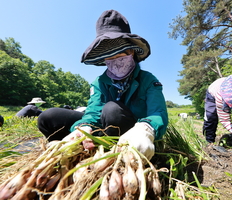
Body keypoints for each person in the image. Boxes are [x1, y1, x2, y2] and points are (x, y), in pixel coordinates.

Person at [38, 10, 168, 160]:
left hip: (131, 131)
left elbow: (157, 113)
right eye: (109, 58)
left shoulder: (148, 80)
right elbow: (93, 111)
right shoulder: (99, 82)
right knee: (48, 117)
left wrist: (145, 129)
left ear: (131, 52)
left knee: (112, 109)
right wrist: (84, 128)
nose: (115, 63)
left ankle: (116, 152)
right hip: (101, 127)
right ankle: (79, 150)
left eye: (119, 56)